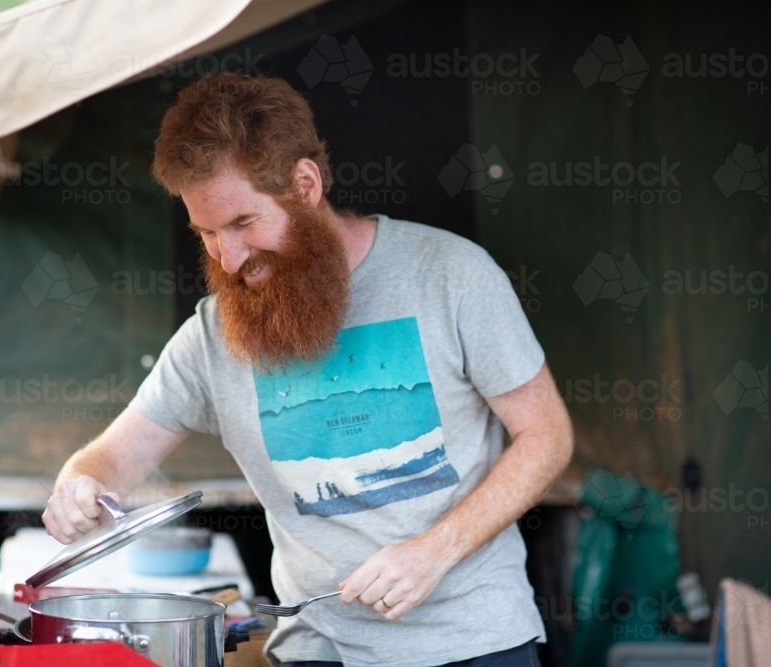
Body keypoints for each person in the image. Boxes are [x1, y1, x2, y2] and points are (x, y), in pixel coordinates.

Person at [42, 73, 573, 667]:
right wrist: (79, 484)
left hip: (473, 641)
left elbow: (547, 437)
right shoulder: (213, 334)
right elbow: (115, 456)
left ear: (304, 183)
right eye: (207, 233)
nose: (229, 258)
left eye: (244, 223)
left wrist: (431, 552)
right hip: (317, 648)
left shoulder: (453, 275)